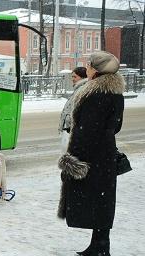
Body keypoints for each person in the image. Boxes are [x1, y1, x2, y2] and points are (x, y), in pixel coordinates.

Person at [58, 51, 124, 256]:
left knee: (91, 198)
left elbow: (84, 131)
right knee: (103, 201)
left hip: (90, 156)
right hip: (105, 154)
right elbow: (116, 126)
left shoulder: (93, 94)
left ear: (96, 69)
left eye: (88, 65)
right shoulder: (115, 92)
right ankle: (100, 244)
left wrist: (73, 160)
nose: (85, 68)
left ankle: (100, 247)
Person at [58, 67, 88, 153]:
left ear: (82, 77)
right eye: (72, 77)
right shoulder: (79, 89)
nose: (72, 79)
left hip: (73, 131)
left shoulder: (82, 90)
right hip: (71, 130)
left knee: (72, 157)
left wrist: (72, 127)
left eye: (75, 77)